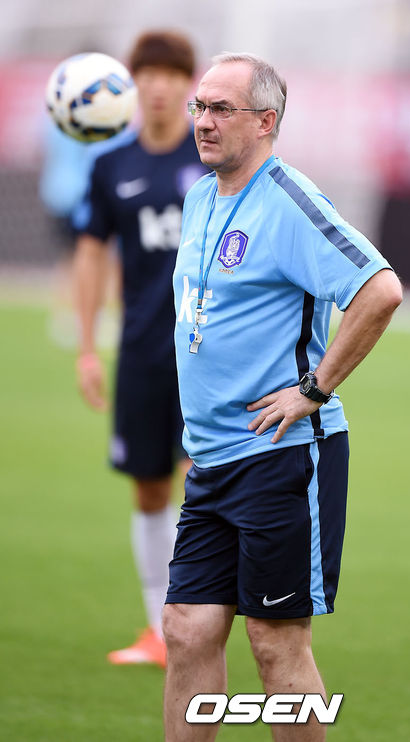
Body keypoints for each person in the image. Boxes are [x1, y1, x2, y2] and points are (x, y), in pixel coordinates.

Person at [162, 52, 402, 741]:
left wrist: (313, 389)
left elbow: (380, 290)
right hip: (211, 459)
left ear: (265, 121)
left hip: (282, 455)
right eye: (199, 106)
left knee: (274, 642)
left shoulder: (291, 201)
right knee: (186, 628)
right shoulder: (199, 196)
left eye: (221, 109)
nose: (203, 121)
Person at [73, 30, 209, 668]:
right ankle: (160, 629)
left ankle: (200, 619)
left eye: (171, 75)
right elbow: (91, 253)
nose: (158, 86)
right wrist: (86, 347)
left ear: (188, 85)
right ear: (132, 83)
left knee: (202, 482)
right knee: (148, 489)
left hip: (208, 352)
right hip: (141, 352)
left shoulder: (211, 158)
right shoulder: (111, 165)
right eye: (147, 74)